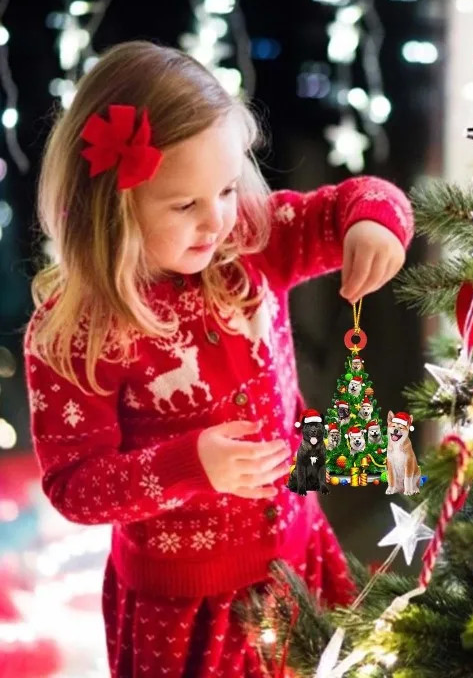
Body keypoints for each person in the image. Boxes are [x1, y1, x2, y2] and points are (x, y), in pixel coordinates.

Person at [24, 41, 415, 677]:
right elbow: (75, 488)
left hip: (299, 559)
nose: (217, 221)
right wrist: (190, 465)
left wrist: (372, 223)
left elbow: (358, 198)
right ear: (112, 207)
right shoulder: (77, 330)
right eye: (185, 205)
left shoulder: (252, 243)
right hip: (184, 610)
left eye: (228, 189)